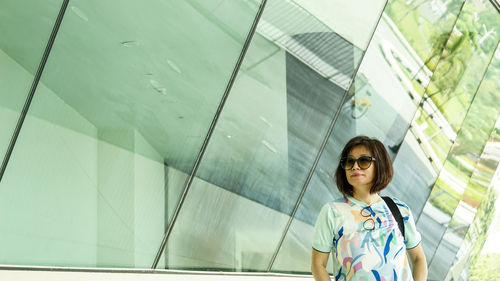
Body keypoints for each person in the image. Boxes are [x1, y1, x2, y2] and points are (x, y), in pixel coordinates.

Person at [311, 136, 427, 281]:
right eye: (349, 161)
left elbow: (418, 258)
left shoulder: (399, 210)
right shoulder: (332, 212)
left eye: (364, 161)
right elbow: (318, 264)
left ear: (380, 165)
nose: (355, 166)